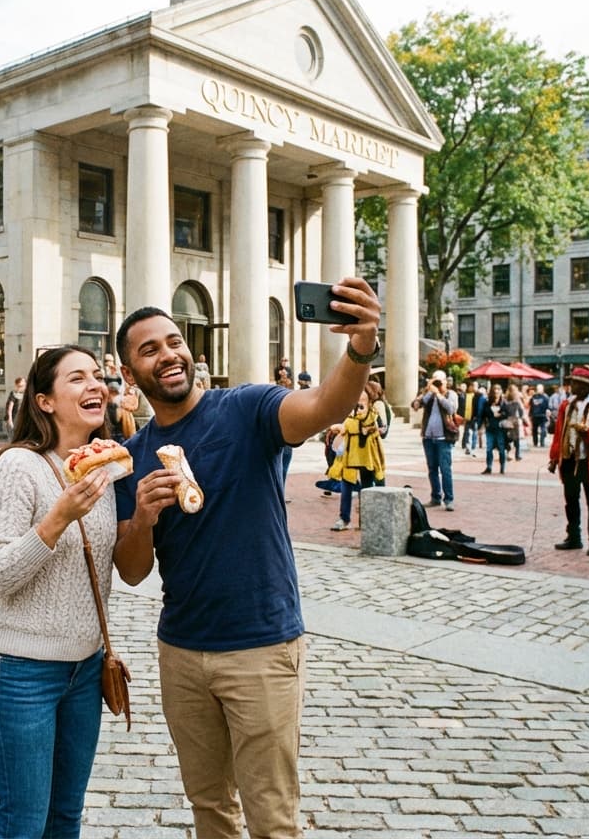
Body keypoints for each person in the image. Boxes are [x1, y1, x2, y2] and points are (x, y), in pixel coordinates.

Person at [112, 276, 381, 838]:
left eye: (173, 341)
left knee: (271, 817)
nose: (168, 354)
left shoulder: (247, 409)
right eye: (149, 350)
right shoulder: (132, 457)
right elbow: (133, 571)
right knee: (210, 807)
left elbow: (324, 407)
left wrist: (360, 348)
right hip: (181, 651)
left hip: (261, 644)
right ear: (130, 374)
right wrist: (142, 516)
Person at [0, 346, 154, 837]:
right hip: (20, 671)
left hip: (86, 669)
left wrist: (143, 518)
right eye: (77, 378)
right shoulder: (17, 467)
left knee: (64, 817)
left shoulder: (107, 467)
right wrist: (57, 518)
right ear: (45, 401)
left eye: (98, 376)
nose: (95, 385)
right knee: (23, 821)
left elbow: (127, 568)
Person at [548, 365, 589, 556]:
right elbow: (559, 433)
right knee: (570, 500)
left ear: (586, 386)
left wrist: (588, 433)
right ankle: (574, 537)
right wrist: (554, 457)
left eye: (575, 383)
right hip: (568, 458)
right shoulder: (565, 405)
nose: (571, 386)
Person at [328, 391, 386, 531]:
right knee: (346, 486)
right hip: (350, 456)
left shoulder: (373, 413)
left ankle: (366, 520)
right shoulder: (349, 412)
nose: (359, 401)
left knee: (366, 487)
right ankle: (344, 518)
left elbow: (373, 427)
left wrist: (353, 422)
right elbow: (344, 427)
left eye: (362, 399)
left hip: (367, 456)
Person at [410, 369, 458, 511]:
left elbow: (451, 409)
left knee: (445, 469)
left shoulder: (451, 394)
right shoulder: (428, 394)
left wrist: (438, 394)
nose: (437, 383)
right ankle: (435, 497)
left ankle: (449, 499)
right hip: (428, 438)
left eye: (440, 381)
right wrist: (426, 391)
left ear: (445, 382)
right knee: (432, 469)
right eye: (435, 380)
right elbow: (415, 406)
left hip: (444, 438)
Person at [481, 385, 509, 475]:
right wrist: (481, 426)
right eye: (495, 390)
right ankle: (489, 467)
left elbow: (508, 414)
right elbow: (483, 414)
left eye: (498, 390)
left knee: (501, 449)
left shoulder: (504, 402)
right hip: (490, 428)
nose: (496, 391)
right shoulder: (487, 403)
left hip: (500, 429)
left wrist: (500, 415)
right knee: (489, 449)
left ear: (501, 391)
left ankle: (502, 467)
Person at [529, 383, 549, 448]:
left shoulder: (545, 397)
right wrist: (530, 414)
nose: (539, 390)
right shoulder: (534, 397)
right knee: (535, 429)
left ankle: (541, 442)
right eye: (538, 389)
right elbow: (531, 406)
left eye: (540, 389)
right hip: (536, 415)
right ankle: (536, 442)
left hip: (541, 415)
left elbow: (547, 406)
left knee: (541, 429)